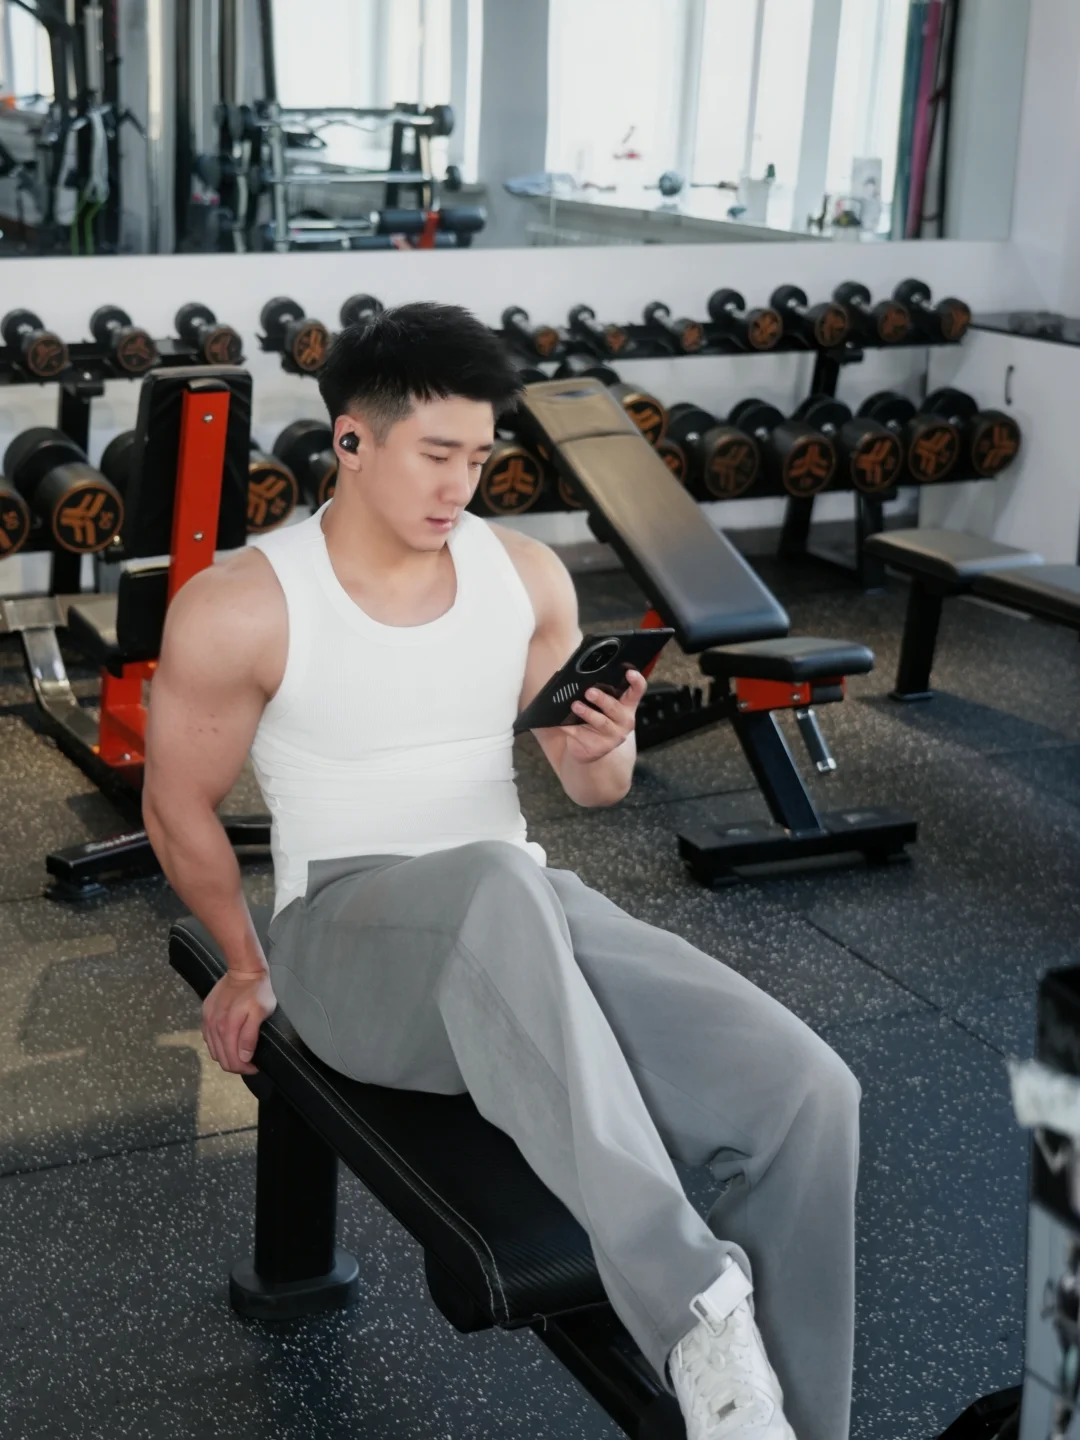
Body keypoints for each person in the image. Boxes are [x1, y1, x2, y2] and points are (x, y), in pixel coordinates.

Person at [142, 302, 860, 1440]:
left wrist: (604, 746)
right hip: (346, 941)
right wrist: (244, 962)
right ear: (352, 440)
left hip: (521, 914)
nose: (460, 485)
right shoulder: (245, 603)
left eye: (478, 458)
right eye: (437, 454)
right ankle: (695, 1308)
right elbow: (176, 804)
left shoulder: (525, 575)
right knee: (496, 883)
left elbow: (591, 791)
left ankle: (793, 1427)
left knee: (806, 1092)